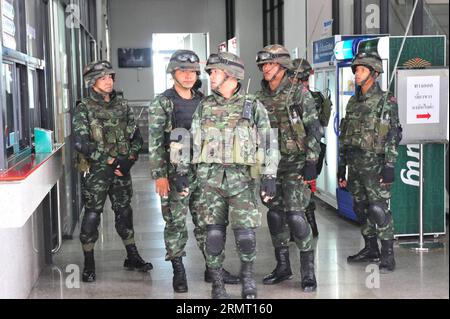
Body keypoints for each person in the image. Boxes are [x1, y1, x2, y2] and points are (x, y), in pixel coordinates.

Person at [177, 51, 279, 299]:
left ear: (231, 74)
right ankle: (218, 285)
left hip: (242, 182)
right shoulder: (205, 106)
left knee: (245, 236)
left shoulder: (252, 106)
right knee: (213, 236)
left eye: (215, 71)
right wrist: (181, 171)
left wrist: (269, 175)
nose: (210, 76)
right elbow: (189, 142)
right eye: (210, 72)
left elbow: (269, 142)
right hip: (209, 183)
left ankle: (247, 281)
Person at [148, 50, 239, 293]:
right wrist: (160, 175)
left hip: (203, 173)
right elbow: (155, 141)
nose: (189, 76)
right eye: (183, 71)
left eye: (192, 71)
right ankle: (178, 270)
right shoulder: (162, 103)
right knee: (176, 222)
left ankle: (213, 269)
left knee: (208, 223)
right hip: (173, 172)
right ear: (173, 73)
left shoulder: (204, 100)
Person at [73, 60, 152, 283]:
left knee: (124, 212)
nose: (109, 81)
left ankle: (132, 256)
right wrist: (110, 161)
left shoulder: (123, 106)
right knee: (92, 215)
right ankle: (89, 262)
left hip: (121, 171)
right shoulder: (84, 108)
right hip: (98, 172)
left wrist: (129, 160)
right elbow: (81, 143)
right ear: (92, 82)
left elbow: (136, 138)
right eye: (103, 78)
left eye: (111, 77)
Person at [255, 45, 321, 292]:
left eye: (270, 64)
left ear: (282, 66)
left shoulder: (298, 93)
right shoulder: (258, 98)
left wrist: (312, 162)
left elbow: (314, 129)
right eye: (263, 65)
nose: (265, 69)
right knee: (275, 215)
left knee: (295, 215)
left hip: (296, 163)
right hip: (270, 166)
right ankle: (283, 266)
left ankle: (308, 271)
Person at [338, 51, 402, 273]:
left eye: (362, 69)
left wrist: (390, 165)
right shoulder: (353, 102)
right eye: (356, 69)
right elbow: (345, 135)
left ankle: (387, 255)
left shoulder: (386, 100)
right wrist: (341, 166)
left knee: (378, 209)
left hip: (376, 165)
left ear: (374, 73)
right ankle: (370, 248)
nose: (357, 73)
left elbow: (394, 134)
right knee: (361, 207)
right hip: (355, 165)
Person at [287, 58, 333, 237]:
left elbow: (317, 125)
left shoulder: (305, 97)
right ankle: (309, 227)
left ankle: (305, 228)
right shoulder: (317, 96)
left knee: (302, 191)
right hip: (315, 150)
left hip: (306, 151)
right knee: (306, 190)